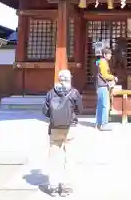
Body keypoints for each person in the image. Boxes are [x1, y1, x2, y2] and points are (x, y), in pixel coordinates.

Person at [42, 69, 82, 197]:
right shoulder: (74, 92)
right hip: (70, 127)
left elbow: (45, 112)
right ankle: (65, 185)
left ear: (59, 79)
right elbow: (79, 109)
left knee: (54, 156)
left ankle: (53, 186)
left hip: (54, 128)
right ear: (69, 78)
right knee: (68, 156)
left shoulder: (50, 93)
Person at [96, 48, 117, 131]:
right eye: (109, 54)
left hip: (99, 86)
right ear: (104, 55)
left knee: (100, 105)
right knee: (105, 105)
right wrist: (113, 77)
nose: (110, 55)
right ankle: (104, 124)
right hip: (103, 85)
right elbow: (105, 75)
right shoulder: (103, 63)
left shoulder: (100, 62)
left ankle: (98, 123)